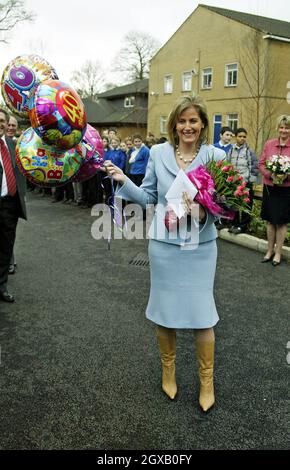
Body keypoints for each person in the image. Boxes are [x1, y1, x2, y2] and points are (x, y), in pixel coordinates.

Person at [103, 94, 225, 412]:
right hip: (164, 247)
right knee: (165, 313)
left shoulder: (216, 156)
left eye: (193, 121)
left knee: (203, 317)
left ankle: (206, 381)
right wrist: (123, 179)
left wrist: (201, 213)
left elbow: (225, 207)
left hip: (200, 248)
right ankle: (168, 370)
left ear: (202, 124)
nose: (188, 126)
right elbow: (147, 197)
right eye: (182, 121)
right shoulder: (158, 153)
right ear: (174, 125)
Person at [0, 107, 27, 302]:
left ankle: (1, 287)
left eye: (3, 120)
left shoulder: (12, 145)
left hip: (9, 205)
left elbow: (22, 172)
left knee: (5, 249)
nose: (1, 123)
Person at [259, 115, 290, 266]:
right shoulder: (269, 144)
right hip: (270, 187)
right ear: (278, 128)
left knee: (282, 222)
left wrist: (286, 175)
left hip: (286, 189)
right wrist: (270, 174)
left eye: (287, 127)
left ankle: (278, 252)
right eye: (282, 127)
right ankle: (269, 250)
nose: (284, 130)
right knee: (270, 221)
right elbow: (261, 163)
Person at [227, 128, 259, 234]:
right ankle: (235, 224)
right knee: (234, 203)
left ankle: (243, 226)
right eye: (240, 136)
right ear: (236, 137)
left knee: (246, 205)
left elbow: (255, 166)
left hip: (245, 182)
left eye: (244, 136)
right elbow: (227, 164)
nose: (242, 138)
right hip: (235, 182)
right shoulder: (231, 150)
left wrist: (251, 181)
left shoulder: (249, 151)